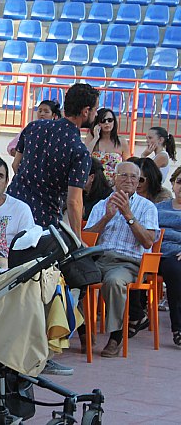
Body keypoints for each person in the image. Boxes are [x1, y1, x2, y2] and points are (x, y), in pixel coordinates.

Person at [84, 161, 159, 357]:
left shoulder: (147, 207)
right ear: (114, 179)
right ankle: (83, 332)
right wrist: (106, 218)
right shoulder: (102, 205)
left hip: (128, 262)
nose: (129, 180)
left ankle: (116, 337)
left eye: (134, 177)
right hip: (99, 258)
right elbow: (87, 240)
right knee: (74, 278)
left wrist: (128, 215)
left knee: (114, 281)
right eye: (124, 175)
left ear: (139, 182)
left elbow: (148, 241)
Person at [8, 83, 99, 239]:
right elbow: (74, 201)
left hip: (12, 206)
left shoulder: (34, 127)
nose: (96, 115)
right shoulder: (80, 151)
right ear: (85, 111)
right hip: (42, 221)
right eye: (95, 110)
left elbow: (16, 164)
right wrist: (77, 240)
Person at [156, 167, 181, 347]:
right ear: (172, 184)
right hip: (155, 253)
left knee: (174, 271)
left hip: (176, 256)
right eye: (179, 182)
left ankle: (178, 328)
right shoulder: (157, 208)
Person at [84, 108, 130, 181]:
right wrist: (96, 138)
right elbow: (85, 156)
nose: (107, 123)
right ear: (98, 123)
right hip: (95, 182)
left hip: (114, 183)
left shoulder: (121, 141)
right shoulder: (91, 138)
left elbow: (127, 165)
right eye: (103, 120)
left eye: (110, 120)